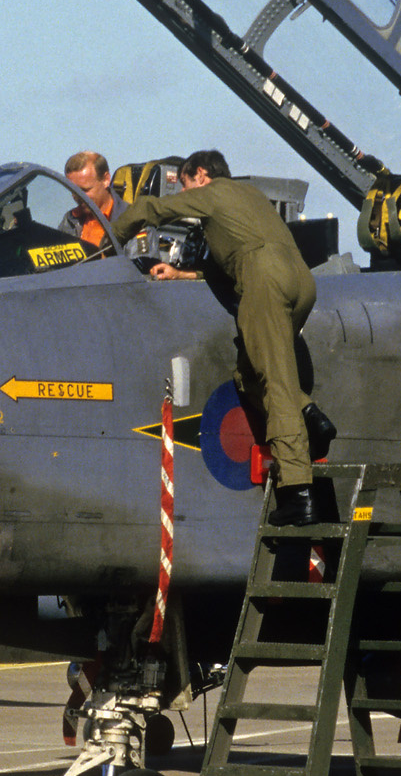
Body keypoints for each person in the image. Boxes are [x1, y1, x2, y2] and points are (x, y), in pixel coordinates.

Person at [109, 150, 324, 526]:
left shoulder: (213, 191)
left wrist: (107, 244)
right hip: (301, 280)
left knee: (276, 384)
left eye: (187, 182)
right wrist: (181, 274)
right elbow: (232, 259)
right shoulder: (251, 197)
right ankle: (311, 414)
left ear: (201, 175)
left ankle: (298, 493)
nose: (188, 191)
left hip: (266, 281)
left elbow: (150, 208)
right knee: (249, 375)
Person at [60, 151, 120, 248]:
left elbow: (136, 262)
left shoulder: (130, 220)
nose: (79, 196)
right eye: (73, 191)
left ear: (106, 180)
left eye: (85, 190)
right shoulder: (70, 220)